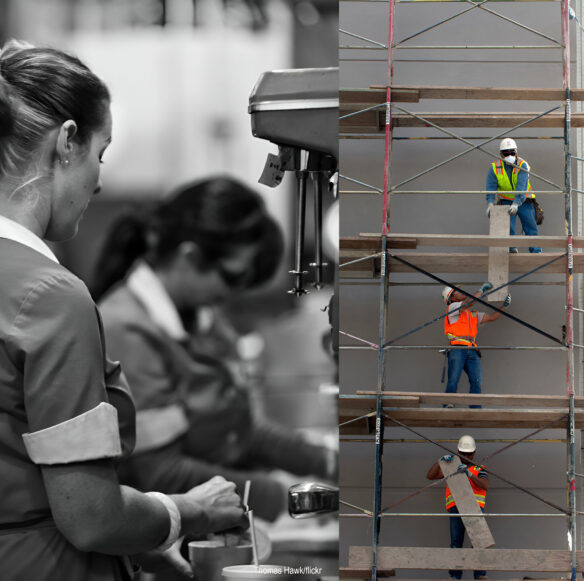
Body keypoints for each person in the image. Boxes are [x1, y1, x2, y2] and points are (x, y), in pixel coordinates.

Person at [0, 40, 246, 580]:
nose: (100, 178)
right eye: (100, 153)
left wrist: (141, 533)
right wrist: (187, 512)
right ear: (67, 142)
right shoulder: (50, 298)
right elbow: (90, 517)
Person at [93, 176, 337, 521]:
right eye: (233, 276)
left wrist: (327, 460)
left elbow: (241, 430)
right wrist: (287, 498)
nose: (235, 292)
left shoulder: (203, 315)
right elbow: (163, 473)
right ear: (190, 255)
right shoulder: (126, 330)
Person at [426, 435, 489, 580]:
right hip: (456, 508)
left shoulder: (479, 468)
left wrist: (469, 475)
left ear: (474, 453)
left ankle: (479, 575)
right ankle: (455, 576)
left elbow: (485, 485)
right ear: (458, 452)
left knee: (478, 544)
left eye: (469, 454)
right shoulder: (451, 468)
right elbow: (430, 475)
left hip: (475, 509)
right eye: (463, 453)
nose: (466, 456)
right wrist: (440, 461)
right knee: (456, 544)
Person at [442, 284, 509, 407]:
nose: (461, 292)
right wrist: (481, 290)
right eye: (457, 291)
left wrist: (504, 307)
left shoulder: (471, 314)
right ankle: (448, 403)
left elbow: (492, 317)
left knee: (476, 380)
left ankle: (475, 406)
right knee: (453, 378)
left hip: (472, 349)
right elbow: (469, 303)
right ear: (452, 298)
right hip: (457, 347)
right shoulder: (452, 307)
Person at [485, 138, 539, 253]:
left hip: (525, 200)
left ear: (516, 152)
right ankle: (510, 248)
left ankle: (536, 250)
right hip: (506, 200)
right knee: (508, 227)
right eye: (506, 153)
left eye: (512, 152)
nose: (509, 155)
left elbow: (521, 185)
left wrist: (516, 203)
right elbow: (491, 186)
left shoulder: (522, 165)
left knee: (530, 226)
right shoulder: (495, 167)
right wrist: (490, 203)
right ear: (501, 154)